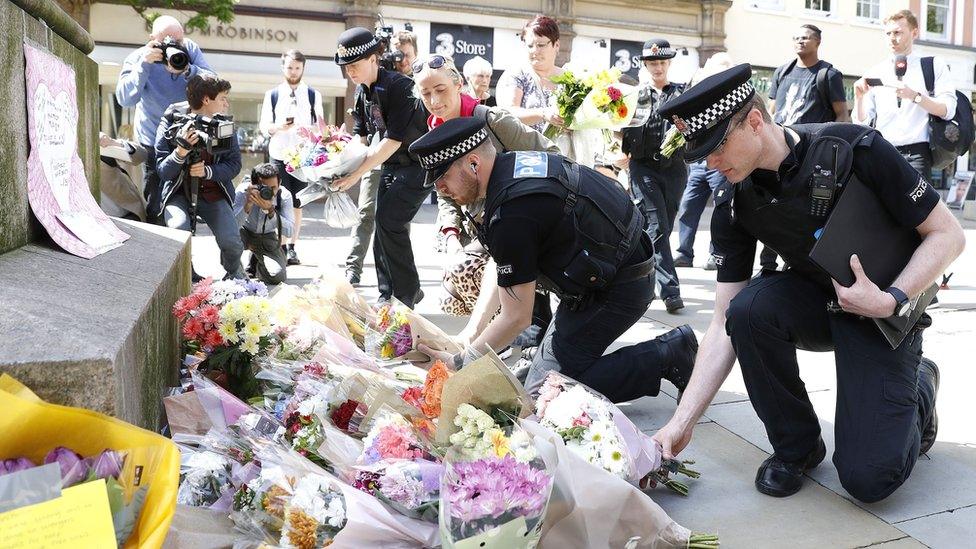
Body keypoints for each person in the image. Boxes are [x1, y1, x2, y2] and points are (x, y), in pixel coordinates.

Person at [653, 64, 965, 503]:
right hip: (818, 302)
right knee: (747, 312)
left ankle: (920, 390)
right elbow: (723, 315)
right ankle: (796, 448)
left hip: (882, 311)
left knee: (869, 480)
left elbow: (948, 235)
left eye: (716, 147)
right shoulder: (735, 199)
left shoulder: (857, 149)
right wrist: (680, 423)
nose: (710, 163)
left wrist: (891, 299)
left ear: (755, 122)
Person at [408, 117, 699, 405]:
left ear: (474, 163)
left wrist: (461, 362)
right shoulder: (510, 168)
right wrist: (471, 337)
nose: (440, 189)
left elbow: (516, 317)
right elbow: (502, 267)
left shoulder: (512, 212)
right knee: (537, 383)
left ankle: (667, 355)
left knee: (543, 397)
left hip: (620, 286)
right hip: (605, 273)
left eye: (443, 176)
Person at [412, 53, 559, 367]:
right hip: (486, 227)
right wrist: (450, 233)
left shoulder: (492, 119)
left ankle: (520, 333)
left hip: (524, 222)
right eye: (426, 94)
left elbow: (551, 156)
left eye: (440, 90)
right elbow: (446, 193)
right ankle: (505, 336)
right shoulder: (433, 132)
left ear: (459, 85)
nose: (434, 101)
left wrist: (522, 195)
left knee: (505, 275)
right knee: (456, 282)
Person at [331, 28, 431, 308]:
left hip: (417, 165)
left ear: (374, 58)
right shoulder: (363, 93)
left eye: (354, 65)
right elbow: (361, 139)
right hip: (391, 166)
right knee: (381, 225)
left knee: (391, 221)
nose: (350, 71)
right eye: (346, 67)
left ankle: (407, 293)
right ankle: (388, 292)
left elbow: (392, 140)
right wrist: (337, 161)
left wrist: (355, 175)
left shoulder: (400, 86)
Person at [116, 15, 212, 223]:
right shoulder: (139, 57)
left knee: (188, 202)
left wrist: (189, 69)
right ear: (152, 39)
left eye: (177, 41)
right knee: (156, 202)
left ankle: (184, 249)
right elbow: (124, 99)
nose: (173, 46)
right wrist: (144, 65)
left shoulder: (190, 51)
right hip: (153, 141)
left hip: (188, 139)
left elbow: (213, 83)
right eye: (166, 41)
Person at [156, 73, 245, 280]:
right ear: (206, 100)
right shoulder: (171, 121)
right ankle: (186, 276)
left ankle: (233, 271)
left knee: (231, 242)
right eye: (223, 98)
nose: (226, 103)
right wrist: (180, 153)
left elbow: (234, 164)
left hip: (213, 192)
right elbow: (162, 170)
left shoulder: (223, 125)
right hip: (178, 193)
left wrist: (208, 172)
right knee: (178, 231)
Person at [853, 9, 957, 184]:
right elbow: (862, 123)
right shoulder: (875, 71)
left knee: (918, 210)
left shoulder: (932, 66)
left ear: (914, 32)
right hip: (882, 151)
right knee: (880, 210)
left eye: (898, 32)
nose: (892, 38)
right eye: (888, 33)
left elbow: (947, 110)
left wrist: (915, 96)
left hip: (917, 154)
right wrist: (859, 98)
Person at [621, 38, 687, 313]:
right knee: (657, 227)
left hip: (674, 170)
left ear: (668, 63)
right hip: (642, 167)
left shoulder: (683, 93)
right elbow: (616, 127)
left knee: (662, 228)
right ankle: (670, 290)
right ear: (645, 65)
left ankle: (633, 272)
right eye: (652, 63)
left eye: (661, 62)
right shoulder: (633, 95)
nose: (657, 67)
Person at [496, 14, 600, 167]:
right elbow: (507, 113)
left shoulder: (570, 78)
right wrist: (543, 114)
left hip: (565, 161)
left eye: (541, 45)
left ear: (556, 45)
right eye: (530, 45)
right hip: (526, 161)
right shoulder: (516, 75)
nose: (535, 51)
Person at [259, 49, 325, 267]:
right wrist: (279, 127)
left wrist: (312, 134)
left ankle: (292, 247)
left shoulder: (313, 95)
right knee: (277, 202)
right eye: (289, 67)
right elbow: (264, 126)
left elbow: (320, 127)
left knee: (297, 203)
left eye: (297, 67)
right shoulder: (273, 94)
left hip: (302, 158)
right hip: (278, 155)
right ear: (282, 67)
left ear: (303, 68)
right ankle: (278, 244)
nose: (293, 71)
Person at [674, 53, 734, 271]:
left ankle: (714, 254)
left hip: (720, 160)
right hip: (699, 162)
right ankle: (684, 252)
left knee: (720, 210)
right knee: (688, 206)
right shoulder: (698, 89)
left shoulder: (730, 95)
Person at [768, 24, 849, 125]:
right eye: (796, 38)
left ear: (817, 42)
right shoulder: (781, 72)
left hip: (812, 139)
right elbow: (771, 112)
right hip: (780, 138)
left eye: (805, 38)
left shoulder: (829, 75)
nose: (800, 41)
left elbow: (842, 116)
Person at [234, 162, 295, 285]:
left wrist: (271, 211)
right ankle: (235, 271)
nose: (270, 193)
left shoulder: (284, 196)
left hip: (267, 236)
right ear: (254, 184)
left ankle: (259, 266)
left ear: (280, 183)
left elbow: (289, 232)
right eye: (265, 188)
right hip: (244, 232)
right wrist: (248, 204)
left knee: (278, 276)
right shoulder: (243, 191)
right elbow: (232, 226)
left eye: (273, 188)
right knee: (228, 242)